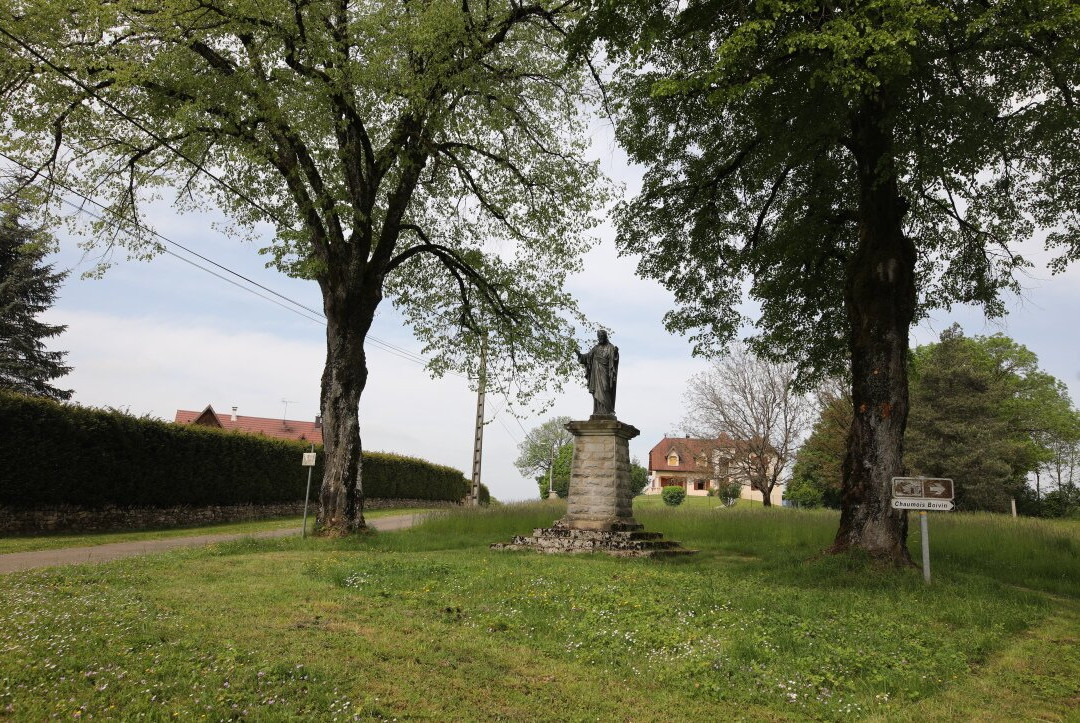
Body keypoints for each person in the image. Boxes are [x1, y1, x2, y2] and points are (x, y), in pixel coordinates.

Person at [576, 329, 619, 417]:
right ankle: (598, 411)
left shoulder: (610, 347)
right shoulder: (595, 348)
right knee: (597, 391)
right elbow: (587, 357)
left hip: (605, 372)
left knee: (606, 388)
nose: (600, 338)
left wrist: (615, 353)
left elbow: (614, 359)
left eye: (601, 336)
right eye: (599, 337)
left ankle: (608, 410)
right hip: (596, 374)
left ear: (605, 337)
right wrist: (580, 355)